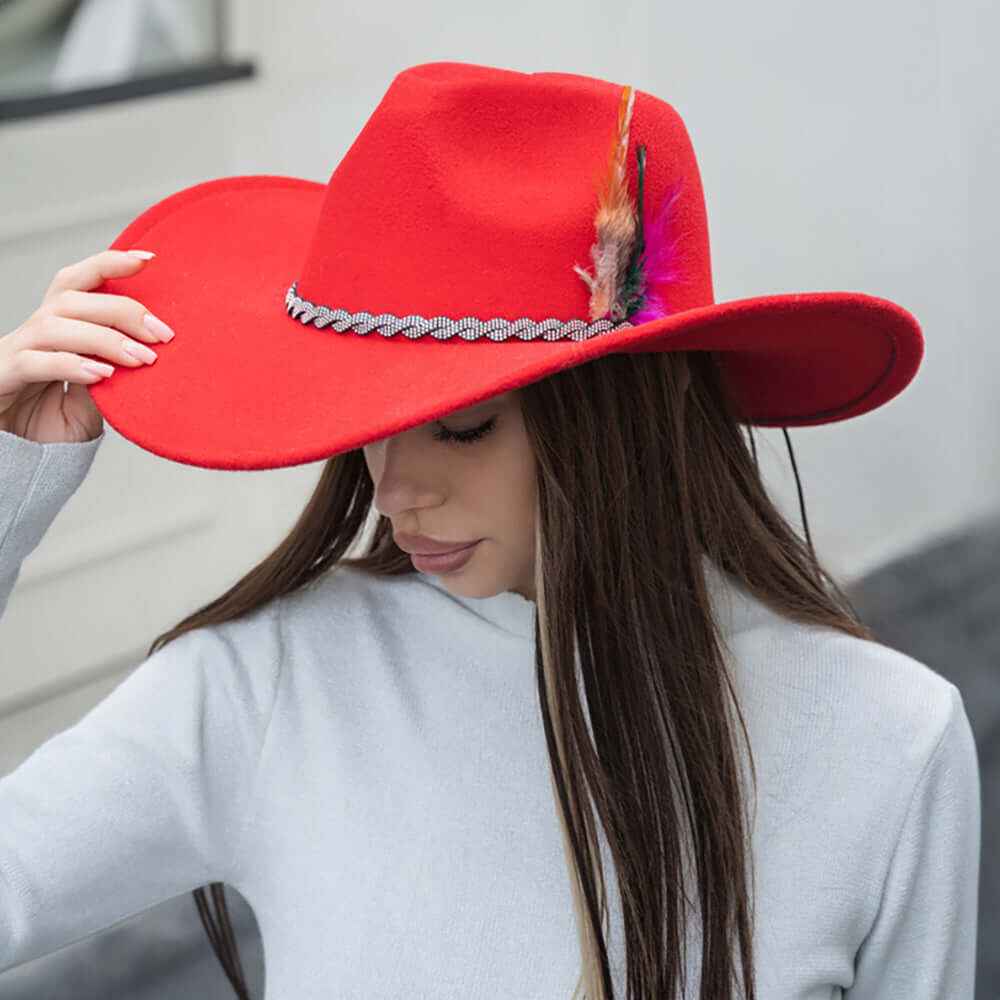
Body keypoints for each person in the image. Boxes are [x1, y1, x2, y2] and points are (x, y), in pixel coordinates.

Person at [0, 62, 981, 1000]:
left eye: (462, 424)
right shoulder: (267, 683)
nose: (395, 492)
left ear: (629, 412)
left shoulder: (887, 740)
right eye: (362, 427)